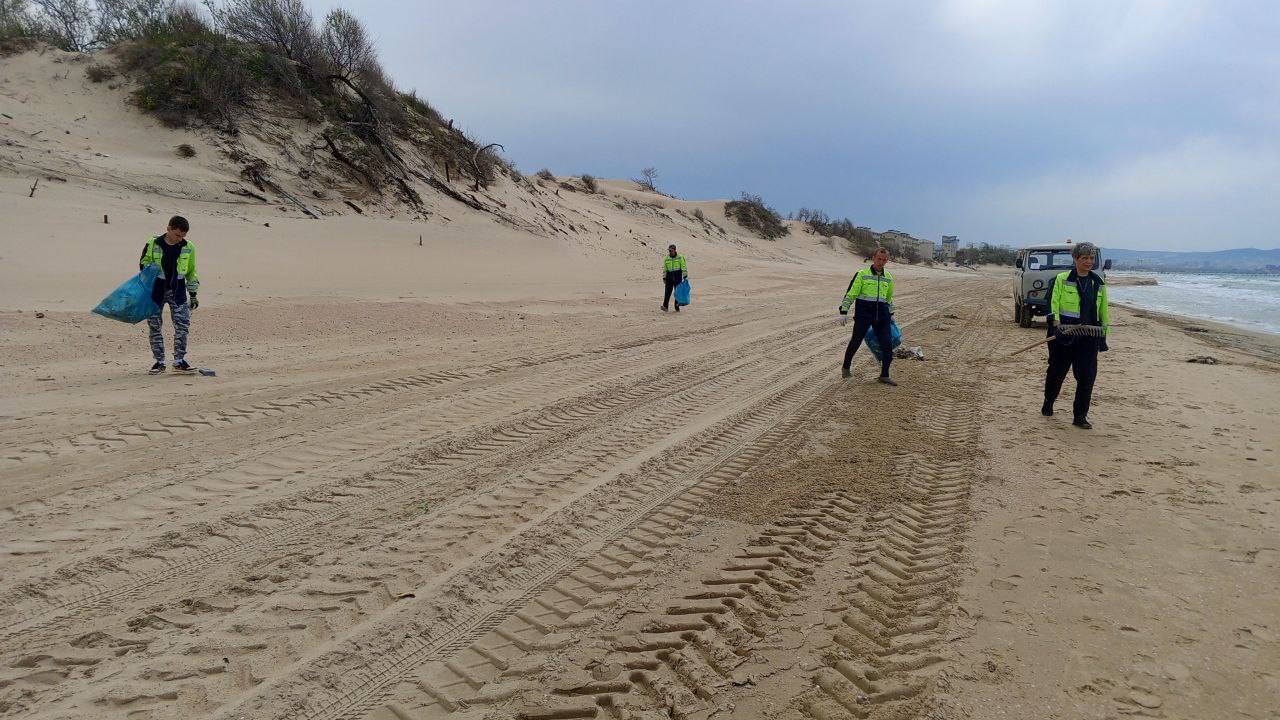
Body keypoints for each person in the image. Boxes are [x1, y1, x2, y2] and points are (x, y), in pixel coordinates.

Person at [1042, 241, 1109, 428]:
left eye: (1092, 258)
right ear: (1075, 259)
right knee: (1056, 373)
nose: (1089, 261)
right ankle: (1048, 401)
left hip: (1088, 337)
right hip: (1063, 337)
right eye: (1085, 258)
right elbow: (1052, 304)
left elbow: (1103, 311)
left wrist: (1103, 336)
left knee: (1087, 377)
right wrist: (1056, 326)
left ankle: (1080, 416)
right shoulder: (1061, 279)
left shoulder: (1098, 282)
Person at [139, 216, 200, 374]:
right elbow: (143, 262)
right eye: (177, 234)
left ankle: (179, 361)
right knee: (154, 326)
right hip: (156, 289)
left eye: (183, 236)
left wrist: (193, 294)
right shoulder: (153, 243)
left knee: (182, 325)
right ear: (169, 229)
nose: (180, 238)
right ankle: (159, 362)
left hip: (178, 290)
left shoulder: (189, 246)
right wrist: (147, 272)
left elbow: (191, 271)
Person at [839, 247, 896, 385]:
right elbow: (851, 293)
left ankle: (884, 375)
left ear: (887, 260)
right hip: (863, 315)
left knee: (888, 346)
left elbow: (889, 299)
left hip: (882, 316)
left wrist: (891, 314)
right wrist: (844, 311)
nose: (881, 262)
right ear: (873, 258)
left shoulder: (888, 277)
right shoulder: (862, 274)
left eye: (884, 260)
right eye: (879, 259)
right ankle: (846, 368)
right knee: (855, 342)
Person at [661, 244, 688, 312]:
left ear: (675, 250)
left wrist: (685, 275)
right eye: (669, 250)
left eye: (671, 250)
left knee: (677, 292)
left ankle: (677, 306)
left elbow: (683, 266)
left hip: (677, 275)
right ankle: (665, 306)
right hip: (669, 276)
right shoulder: (666, 258)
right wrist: (664, 277)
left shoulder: (680, 257)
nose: (670, 252)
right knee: (667, 292)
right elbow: (665, 269)